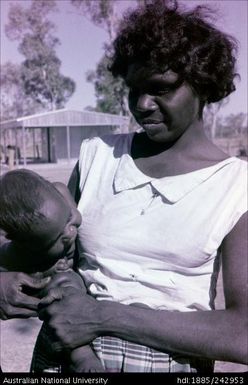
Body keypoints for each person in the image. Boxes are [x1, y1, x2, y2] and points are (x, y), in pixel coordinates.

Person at [15, 0, 248, 373]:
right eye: (134, 88)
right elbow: (48, 255)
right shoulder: (98, 157)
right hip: (65, 357)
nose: (142, 104)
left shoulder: (236, 186)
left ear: (203, 85)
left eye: (160, 89)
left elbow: (243, 333)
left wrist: (101, 316)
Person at [0, 169, 104, 372]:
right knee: (61, 299)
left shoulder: (61, 191)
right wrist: (45, 269)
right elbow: (22, 270)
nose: (70, 232)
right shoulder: (15, 252)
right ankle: (81, 355)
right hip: (63, 280)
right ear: (26, 244)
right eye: (57, 239)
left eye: (69, 218)